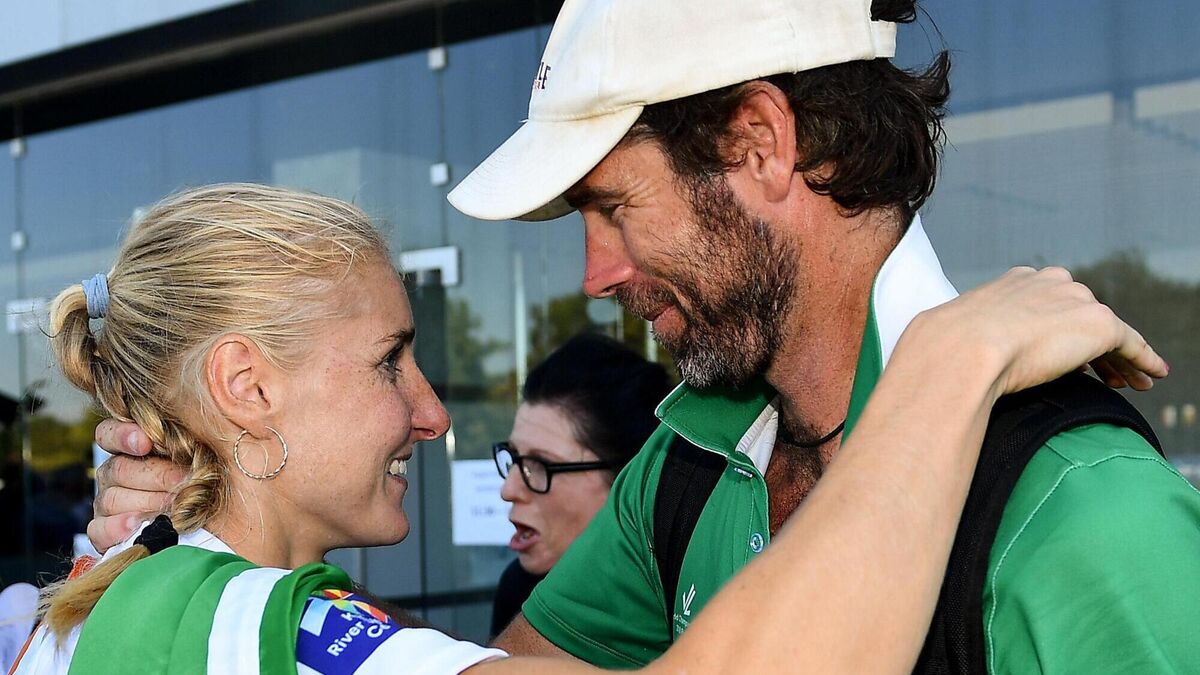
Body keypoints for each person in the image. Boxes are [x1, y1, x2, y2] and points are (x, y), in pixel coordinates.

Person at [27, 183, 1165, 674]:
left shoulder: (99, 602)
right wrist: (950, 364)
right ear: (245, 386)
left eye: (616, 206)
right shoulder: (253, 628)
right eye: (388, 361)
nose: (432, 412)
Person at [444, 0, 1200, 671]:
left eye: (615, 207)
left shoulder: (1084, 504)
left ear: (761, 143)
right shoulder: (682, 465)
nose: (595, 275)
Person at [491, 334, 672, 636]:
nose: (508, 490)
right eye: (514, 458)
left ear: (628, 479)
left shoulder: (686, 605)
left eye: (541, 465)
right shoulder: (520, 590)